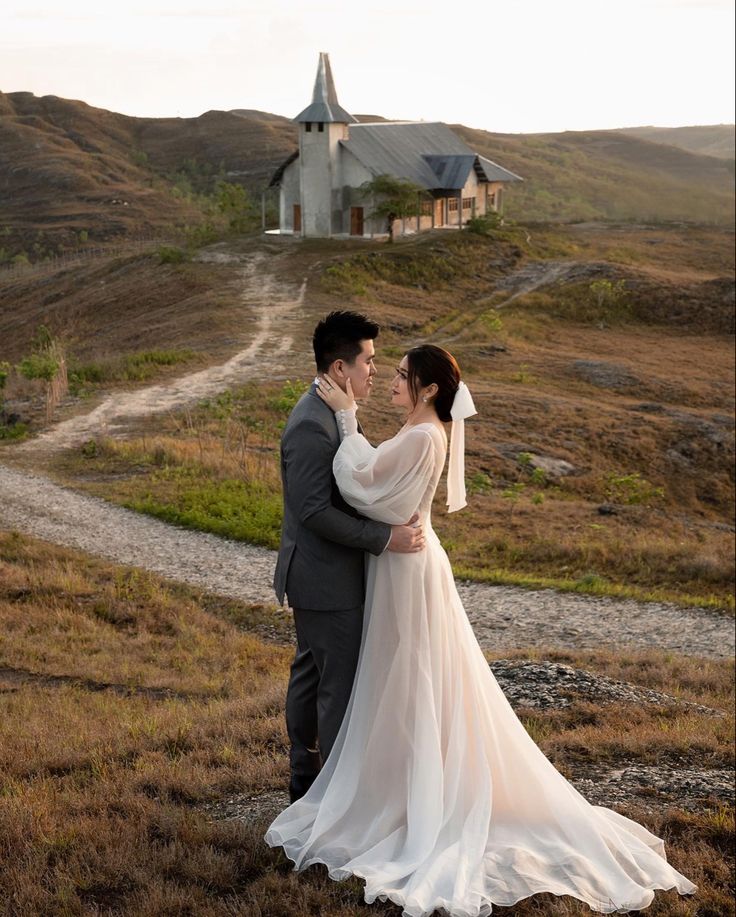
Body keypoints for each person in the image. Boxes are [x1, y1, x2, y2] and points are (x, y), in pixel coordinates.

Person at [266, 343, 696, 915]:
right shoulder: (418, 431)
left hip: (406, 564)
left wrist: (346, 419)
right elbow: (372, 480)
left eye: (402, 376)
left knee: (412, 673)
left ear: (429, 390)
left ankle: (411, 795)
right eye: (390, 373)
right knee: (399, 673)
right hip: (400, 564)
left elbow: (362, 489)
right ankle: (395, 780)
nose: (392, 381)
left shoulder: (424, 436)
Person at [274, 311, 426, 804]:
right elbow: (314, 511)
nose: (375, 372)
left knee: (316, 673)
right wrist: (385, 538)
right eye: (369, 361)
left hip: (329, 575)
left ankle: (308, 780)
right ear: (341, 368)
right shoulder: (310, 425)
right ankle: (329, 795)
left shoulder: (335, 410)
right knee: (334, 685)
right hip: (324, 577)